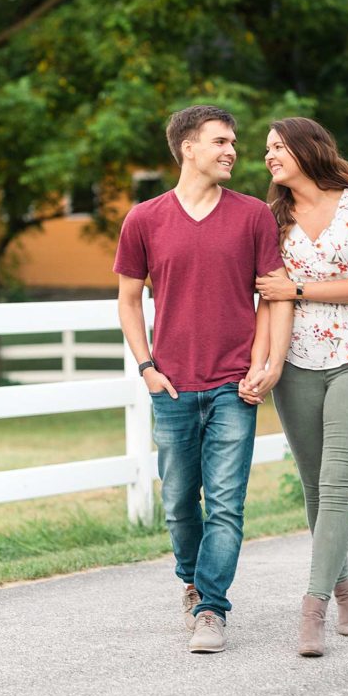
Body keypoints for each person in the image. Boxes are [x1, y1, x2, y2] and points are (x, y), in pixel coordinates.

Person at [114, 105, 293, 654]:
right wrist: (147, 369)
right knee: (177, 504)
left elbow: (274, 294)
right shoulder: (144, 219)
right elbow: (127, 299)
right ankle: (191, 581)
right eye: (220, 141)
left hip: (234, 386)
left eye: (234, 142)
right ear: (187, 148)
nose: (232, 151)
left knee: (225, 502)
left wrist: (267, 365)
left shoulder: (254, 217)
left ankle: (212, 607)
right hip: (171, 386)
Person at [253, 117, 348, 657]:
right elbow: (269, 298)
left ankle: (312, 607)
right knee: (314, 488)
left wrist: (299, 287)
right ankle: (347, 590)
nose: (268, 155)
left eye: (277, 146)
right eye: (265, 149)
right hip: (297, 366)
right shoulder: (272, 220)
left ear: (307, 148)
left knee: (338, 485)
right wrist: (263, 365)